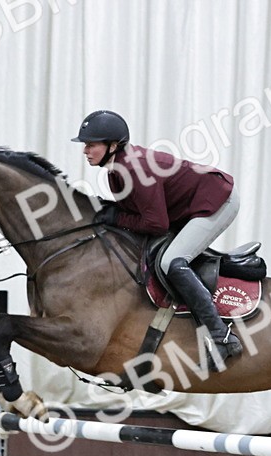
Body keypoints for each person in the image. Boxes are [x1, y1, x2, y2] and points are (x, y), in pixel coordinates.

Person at [72, 110, 243, 369]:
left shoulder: (133, 168)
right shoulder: (116, 170)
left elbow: (156, 224)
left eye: (91, 144)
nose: (85, 150)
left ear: (113, 146)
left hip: (218, 200)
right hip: (189, 205)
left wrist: (116, 218)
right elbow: (138, 213)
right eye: (85, 144)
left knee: (172, 262)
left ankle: (222, 337)